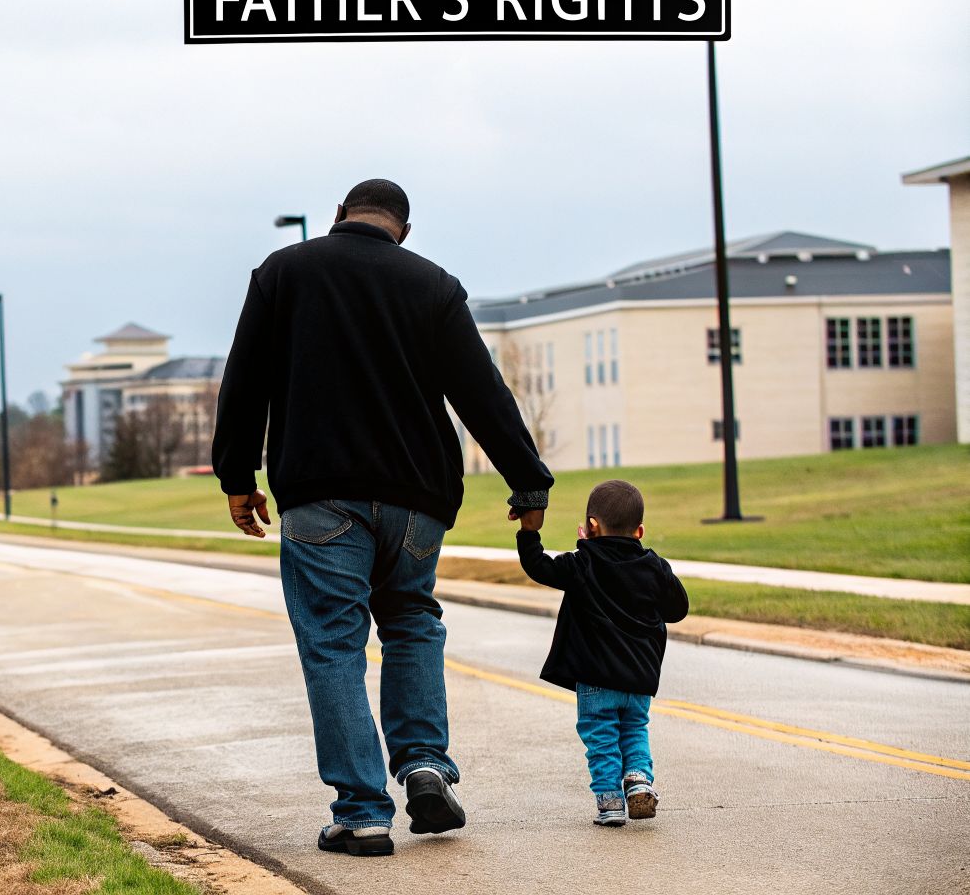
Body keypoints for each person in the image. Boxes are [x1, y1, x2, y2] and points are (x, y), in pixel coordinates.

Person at [211, 178, 554, 857]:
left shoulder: (285, 272)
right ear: (403, 229)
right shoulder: (432, 284)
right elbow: (482, 391)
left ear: (340, 216)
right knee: (412, 624)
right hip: (417, 502)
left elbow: (244, 377)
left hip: (321, 494)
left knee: (334, 644)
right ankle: (425, 764)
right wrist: (528, 481)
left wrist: (237, 476)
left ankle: (364, 813)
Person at [516, 479, 689, 827]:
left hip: (595, 678)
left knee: (601, 737)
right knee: (635, 729)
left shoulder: (583, 562)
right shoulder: (654, 566)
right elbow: (678, 608)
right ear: (639, 530)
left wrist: (528, 531)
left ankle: (610, 803)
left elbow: (539, 567)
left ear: (591, 526)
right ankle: (638, 780)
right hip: (639, 678)